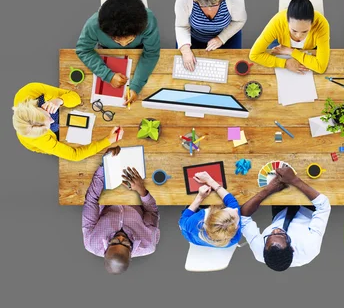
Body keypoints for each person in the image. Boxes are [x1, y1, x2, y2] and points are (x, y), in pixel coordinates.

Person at [82, 146, 160, 274]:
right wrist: (141, 190)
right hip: (137, 192)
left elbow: (91, 200)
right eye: (125, 243)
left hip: (108, 189)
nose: (120, 237)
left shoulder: (92, 242)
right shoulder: (147, 243)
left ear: (106, 250)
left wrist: (105, 165)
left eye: (115, 241)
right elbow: (152, 212)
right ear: (130, 254)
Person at [240, 167, 331, 271]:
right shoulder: (309, 247)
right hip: (309, 208)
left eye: (270, 235)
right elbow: (323, 206)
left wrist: (269, 189)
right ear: (292, 248)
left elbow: (243, 216)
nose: (275, 230)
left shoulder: (260, 251)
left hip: (281, 213)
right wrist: (294, 180)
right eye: (281, 235)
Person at [76, 0, 160, 105]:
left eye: (129, 40)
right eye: (117, 40)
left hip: (139, 48)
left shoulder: (149, 21)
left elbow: (151, 53)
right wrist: (108, 75)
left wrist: (136, 86)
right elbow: (83, 50)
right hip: (106, 49)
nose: (124, 45)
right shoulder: (93, 24)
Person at [12, 82, 122, 161]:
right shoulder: (40, 139)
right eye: (47, 127)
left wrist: (59, 100)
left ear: (37, 107)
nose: (51, 121)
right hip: (50, 141)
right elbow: (75, 155)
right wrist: (108, 140)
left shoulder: (30, 90)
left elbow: (76, 98)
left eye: (47, 115)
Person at [175, 0, 247, 71]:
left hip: (228, 37)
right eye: (203, 5)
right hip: (193, 39)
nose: (209, 9)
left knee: (232, 71)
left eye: (213, 5)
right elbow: (181, 26)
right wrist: (185, 50)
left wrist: (221, 38)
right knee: (186, 71)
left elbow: (240, 20)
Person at [249, 0, 330, 74]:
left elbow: (321, 67)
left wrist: (291, 51)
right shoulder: (278, 21)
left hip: (306, 48)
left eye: (305, 31)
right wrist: (285, 63)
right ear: (287, 22)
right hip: (281, 45)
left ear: (312, 23)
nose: (299, 36)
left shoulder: (321, 24)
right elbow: (254, 55)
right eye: (294, 30)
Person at [179, 172, 241, 247]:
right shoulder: (234, 238)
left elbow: (182, 220)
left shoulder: (194, 221)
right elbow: (232, 202)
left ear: (214, 214)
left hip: (191, 236)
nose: (236, 210)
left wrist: (200, 197)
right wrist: (210, 181)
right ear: (237, 227)